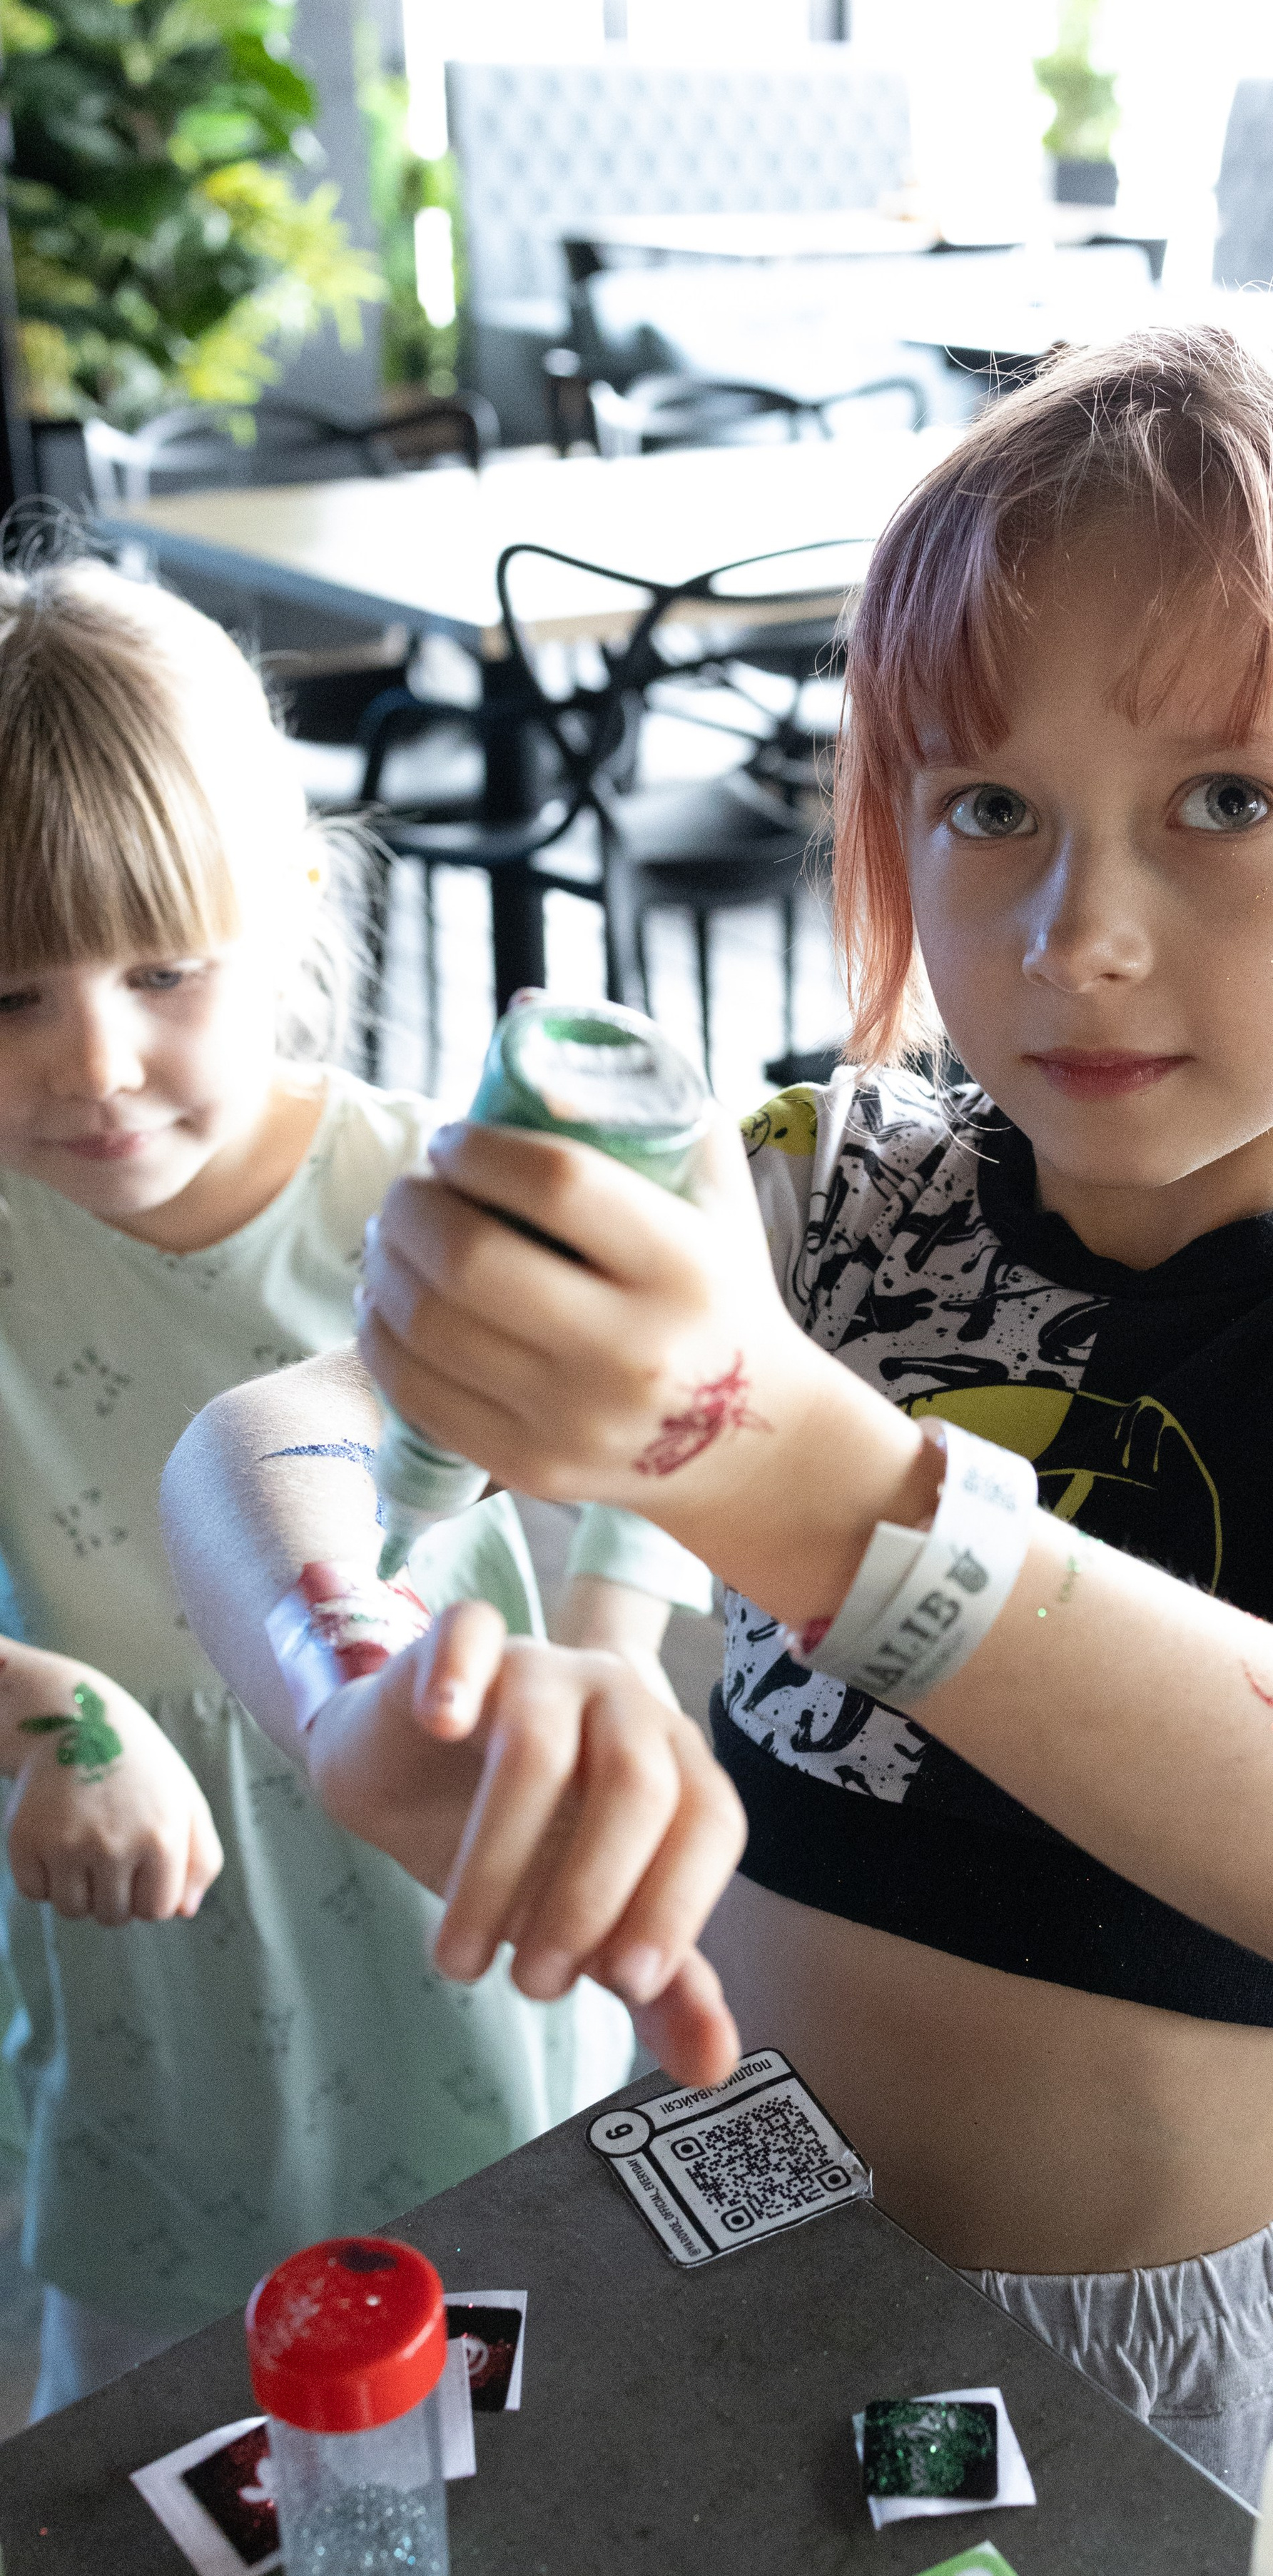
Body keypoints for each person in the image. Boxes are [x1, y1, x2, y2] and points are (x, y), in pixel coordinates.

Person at [163, 330, 1273, 2573]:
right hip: (731, 2228)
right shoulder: (823, 1179)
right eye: (989, 808)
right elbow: (262, 1436)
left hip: (1166, 2356)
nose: (1080, 935)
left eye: (1227, 801)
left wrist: (797, 1473)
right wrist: (350, 1675)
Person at [0, 558, 684, 2414]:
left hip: (446, 1940)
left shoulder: (426, 1187)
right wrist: (48, 1709)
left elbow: (663, 1409)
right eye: (11, 997)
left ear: (296, 902)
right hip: (149, 2002)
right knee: (136, 2433)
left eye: (162, 970)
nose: (98, 1061)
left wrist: (610, 1653)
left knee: (507, 2402)